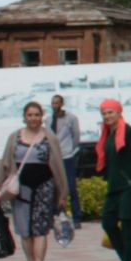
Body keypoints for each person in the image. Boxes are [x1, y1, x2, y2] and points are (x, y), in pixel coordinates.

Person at [0, 101, 70, 261]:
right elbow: (5, 163)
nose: (34, 118)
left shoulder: (49, 137)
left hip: (44, 186)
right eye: (30, 115)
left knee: (40, 229)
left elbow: (59, 166)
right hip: (21, 190)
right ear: (24, 117)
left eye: (37, 115)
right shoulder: (15, 137)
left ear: (41, 116)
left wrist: (62, 193)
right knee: (24, 231)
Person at [95, 99, 131, 261]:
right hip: (114, 186)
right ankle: (127, 259)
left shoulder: (130, 133)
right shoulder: (107, 134)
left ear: (119, 113)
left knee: (127, 225)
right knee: (108, 223)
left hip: (130, 186)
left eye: (110, 112)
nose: (107, 116)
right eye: (104, 113)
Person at [48, 94, 82, 224]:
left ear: (62, 104)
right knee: (53, 187)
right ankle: (54, 214)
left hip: (67, 156)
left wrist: (69, 149)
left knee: (71, 187)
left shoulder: (71, 118)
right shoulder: (48, 119)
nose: (55, 105)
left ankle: (76, 216)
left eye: (57, 103)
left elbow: (76, 136)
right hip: (52, 158)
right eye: (53, 103)